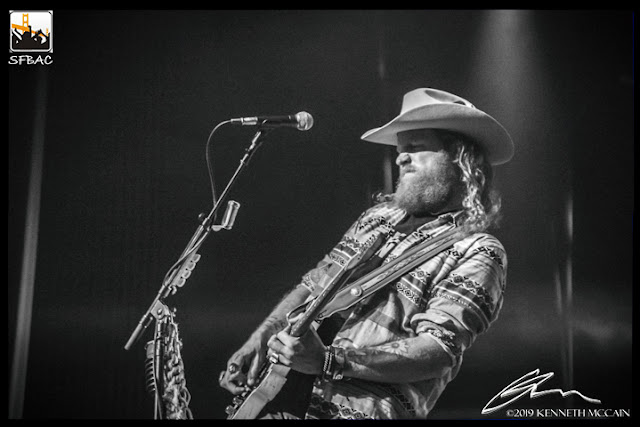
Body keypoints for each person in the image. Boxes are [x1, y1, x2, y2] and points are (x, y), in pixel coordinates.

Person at [218, 88, 514, 419]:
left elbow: (439, 350)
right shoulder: (377, 218)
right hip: (277, 397)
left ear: (460, 159)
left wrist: (330, 361)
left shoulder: (479, 250)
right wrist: (261, 336)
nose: (401, 157)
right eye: (401, 150)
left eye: (415, 148)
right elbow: (315, 283)